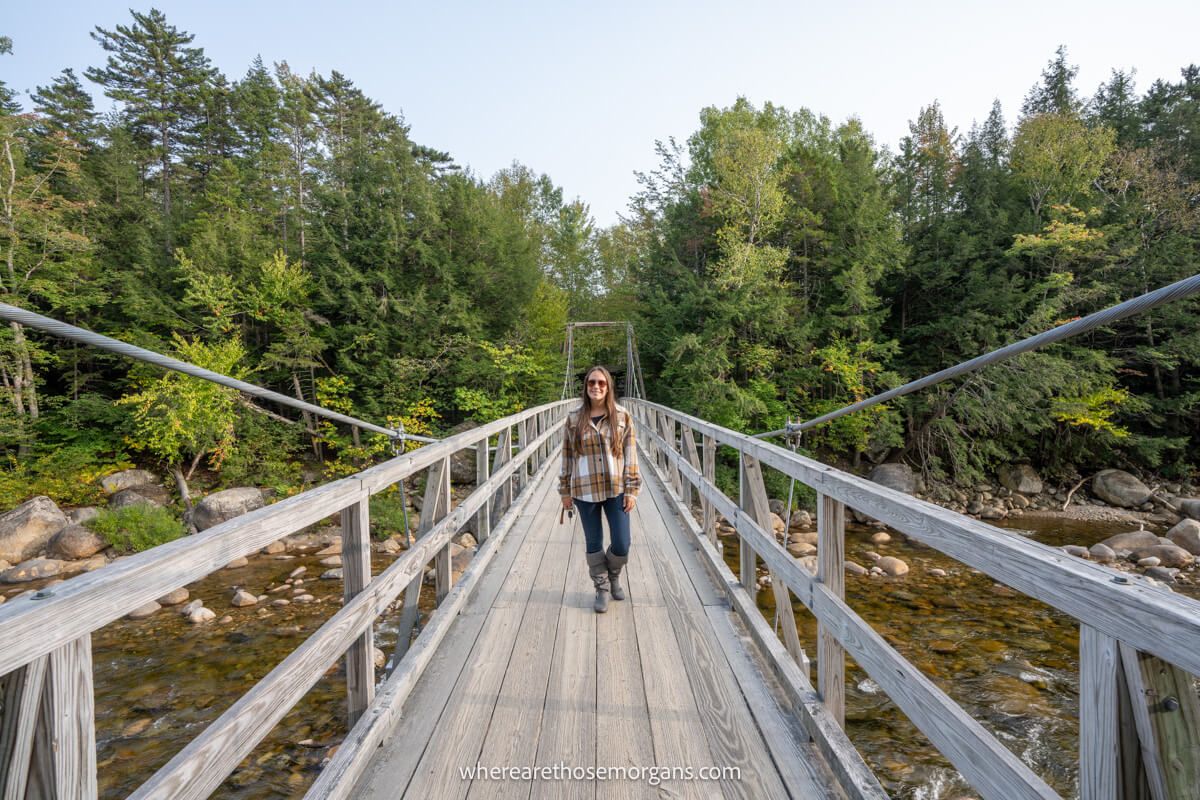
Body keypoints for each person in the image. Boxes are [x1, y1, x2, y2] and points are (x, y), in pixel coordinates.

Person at [559, 365, 640, 613]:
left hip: (615, 489)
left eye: (601, 383)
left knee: (622, 543)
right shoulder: (574, 419)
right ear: (586, 386)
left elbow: (631, 454)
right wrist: (564, 490)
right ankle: (602, 587)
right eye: (592, 382)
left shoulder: (622, 416)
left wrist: (632, 489)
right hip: (584, 490)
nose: (596, 387)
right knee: (593, 542)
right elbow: (567, 456)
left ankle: (614, 574)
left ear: (608, 387)